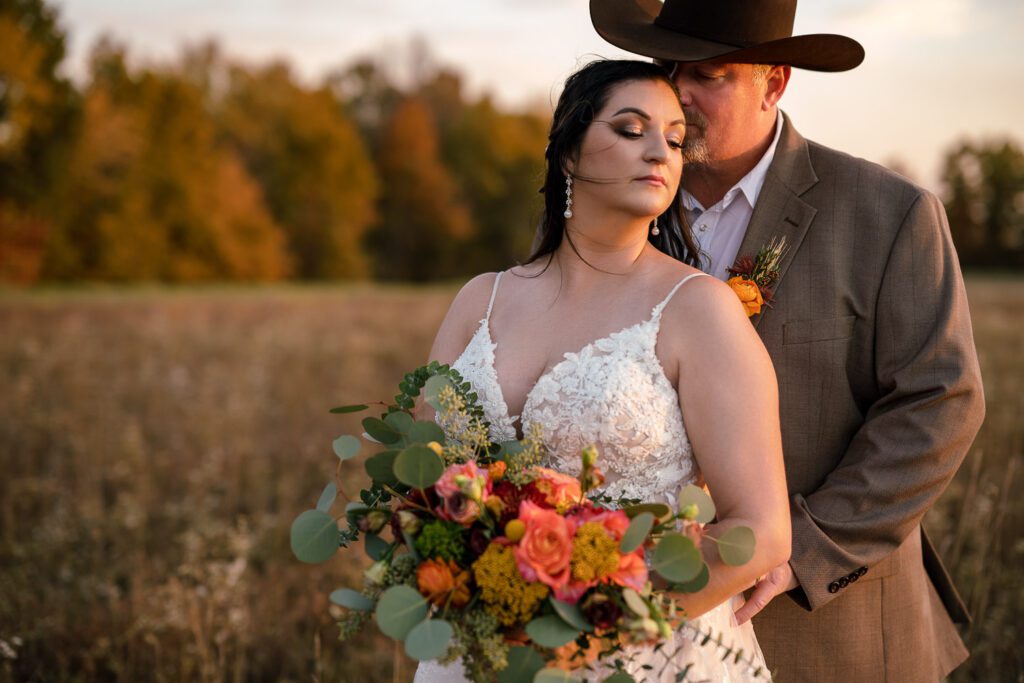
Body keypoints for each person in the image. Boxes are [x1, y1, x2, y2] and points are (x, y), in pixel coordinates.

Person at [589, 1, 986, 681]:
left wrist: (800, 547)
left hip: (833, 631)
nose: (677, 92)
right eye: (669, 68)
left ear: (774, 83)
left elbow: (940, 402)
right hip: (648, 630)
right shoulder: (617, 209)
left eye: (709, 74)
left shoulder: (892, 214)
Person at [414, 59, 790, 682]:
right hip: (482, 643)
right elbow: (423, 484)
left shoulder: (698, 309)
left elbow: (762, 529)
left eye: (674, 139)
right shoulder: (480, 299)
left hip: (641, 656)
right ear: (568, 154)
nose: (659, 152)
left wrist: (595, 639)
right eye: (630, 129)